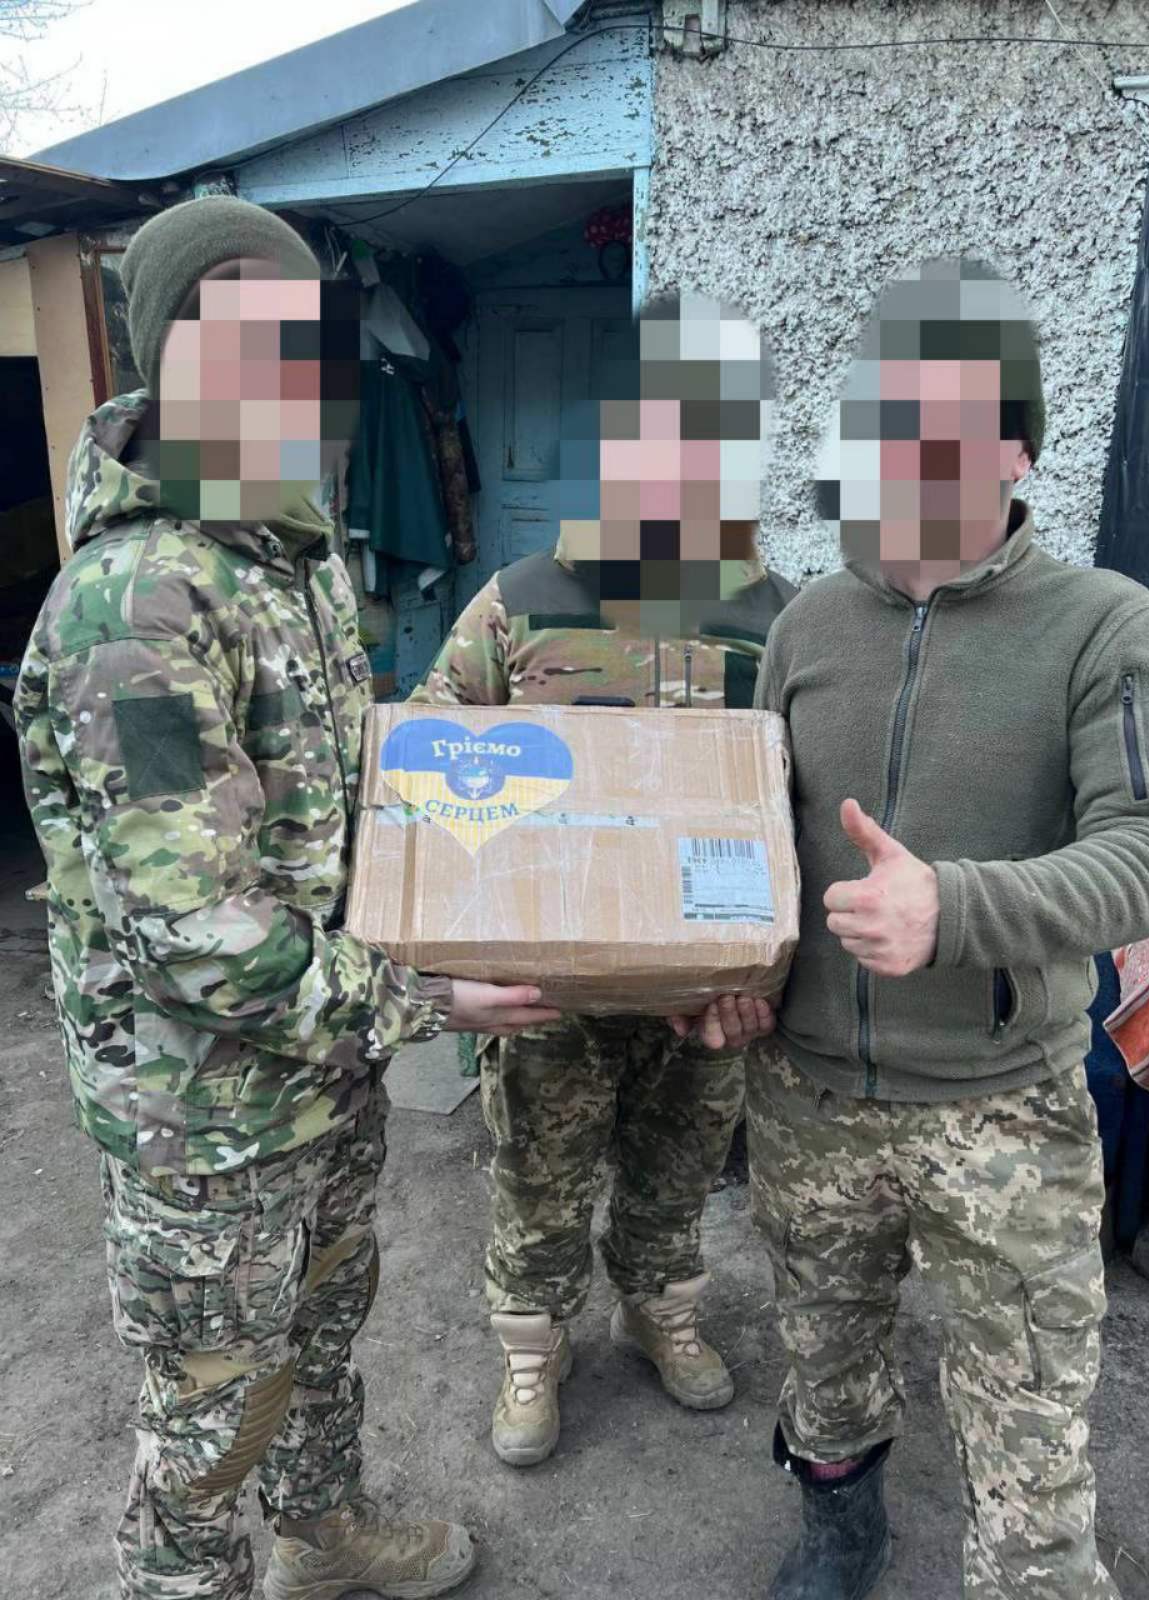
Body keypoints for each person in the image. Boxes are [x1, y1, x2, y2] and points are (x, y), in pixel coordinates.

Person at [15, 195, 558, 1600]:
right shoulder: (137, 609)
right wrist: (422, 996)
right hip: (206, 1121)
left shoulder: (289, 558)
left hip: (319, 1080)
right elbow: (195, 931)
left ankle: (322, 1538)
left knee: (319, 1342)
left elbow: (340, 800)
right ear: (178, 362)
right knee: (213, 1417)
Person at [749, 256, 1149, 1600]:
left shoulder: (1102, 624)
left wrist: (957, 907)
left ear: (1015, 447)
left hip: (1003, 1109)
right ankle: (841, 1530)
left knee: (1030, 1442)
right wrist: (726, 975)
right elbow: (749, 844)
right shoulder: (807, 623)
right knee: (825, 1357)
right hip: (810, 1097)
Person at [410, 290, 789, 1466]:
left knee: (680, 1167)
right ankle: (534, 1348)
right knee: (541, 1175)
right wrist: (463, 951)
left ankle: (661, 1308)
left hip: (704, 984)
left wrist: (773, 971)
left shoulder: (774, 615)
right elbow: (426, 765)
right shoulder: (522, 600)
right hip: (552, 987)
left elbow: (802, 807)